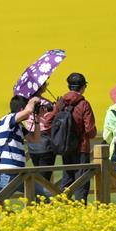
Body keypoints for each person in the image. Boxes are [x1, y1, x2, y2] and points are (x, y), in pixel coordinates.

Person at [43, 73, 97, 202]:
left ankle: (64, 207)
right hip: (81, 147)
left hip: (65, 147)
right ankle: (79, 209)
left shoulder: (61, 102)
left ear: (69, 86)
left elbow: (48, 122)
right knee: (82, 180)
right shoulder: (84, 104)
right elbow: (90, 130)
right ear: (83, 87)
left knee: (67, 178)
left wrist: (58, 137)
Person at [0, 95, 49, 198]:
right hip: (7, 172)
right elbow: (28, 111)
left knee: (43, 196)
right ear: (21, 110)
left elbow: (35, 140)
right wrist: (33, 100)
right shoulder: (8, 119)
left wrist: (37, 119)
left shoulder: (18, 126)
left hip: (19, 172)